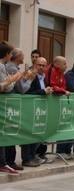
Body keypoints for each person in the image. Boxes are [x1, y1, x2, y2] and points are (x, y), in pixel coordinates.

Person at [0, 41, 24, 175]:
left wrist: (10, 81)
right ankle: (3, 163)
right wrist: (12, 80)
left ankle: (3, 162)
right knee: (3, 134)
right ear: (8, 54)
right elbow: (5, 87)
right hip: (3, 103)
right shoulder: (1, 66)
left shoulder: (3, 66)